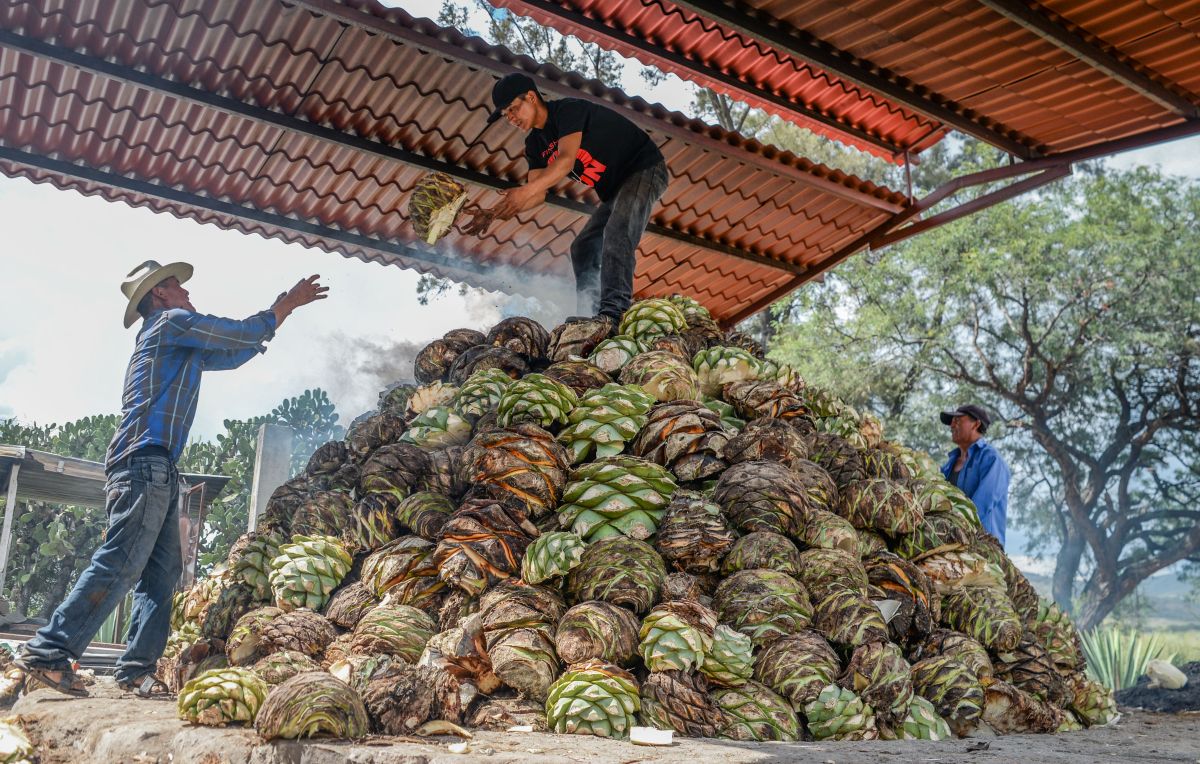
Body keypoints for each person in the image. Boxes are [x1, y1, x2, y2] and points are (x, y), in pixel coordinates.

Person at [15, 260, 327, 697]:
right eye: (179, 287)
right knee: (122, 562)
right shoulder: (168, 323)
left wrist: (275, 320)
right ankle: (49, 652)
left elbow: (234, 352)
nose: (187, 293)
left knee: (161, 574)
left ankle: (135, 670)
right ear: (160, 294)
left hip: (158, 467)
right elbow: (233, 332)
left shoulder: (179, 339)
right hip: (142, 463)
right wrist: (285, 305)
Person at [464, 72, 669, 323]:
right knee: (583, 247)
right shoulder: (535, 145)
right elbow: (537, 194)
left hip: (643, 168)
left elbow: (564, 162)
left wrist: (525, 192)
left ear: (531, 97)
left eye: (513, 109)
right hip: (616, 190)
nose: (511, 119)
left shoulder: (568, 111)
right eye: (506, 116)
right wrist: (494, 212)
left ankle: (614, 312)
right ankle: (590, 314)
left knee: (617, 232)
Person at [939, 404, 1011, 545]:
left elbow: (980, 506)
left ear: (976, 424)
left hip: (982, 548)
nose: (952, 425)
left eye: (958, 420)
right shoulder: (948, 465)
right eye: (952, 421)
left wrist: (951, 529)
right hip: (953, 543)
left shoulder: (991, 459)